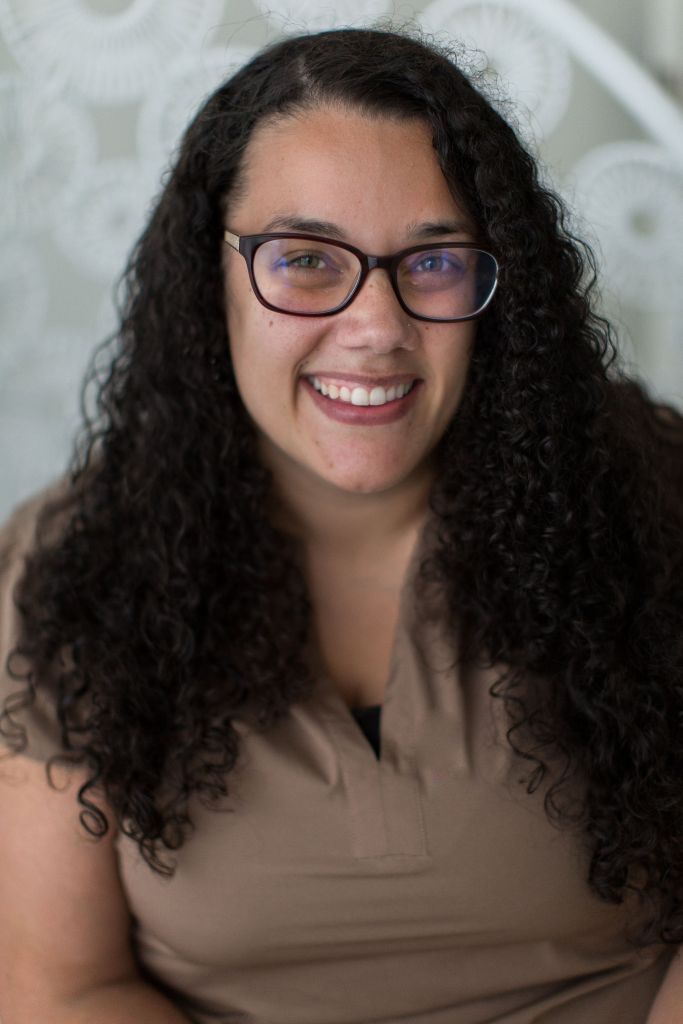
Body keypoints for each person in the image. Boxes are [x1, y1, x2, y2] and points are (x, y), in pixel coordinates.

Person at [0, 25, 682, 1024]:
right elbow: (59, 983)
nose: (375, 328)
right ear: (210, 277)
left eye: (434, 261)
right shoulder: (74, 567)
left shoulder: (652, 502)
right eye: (305, 259)